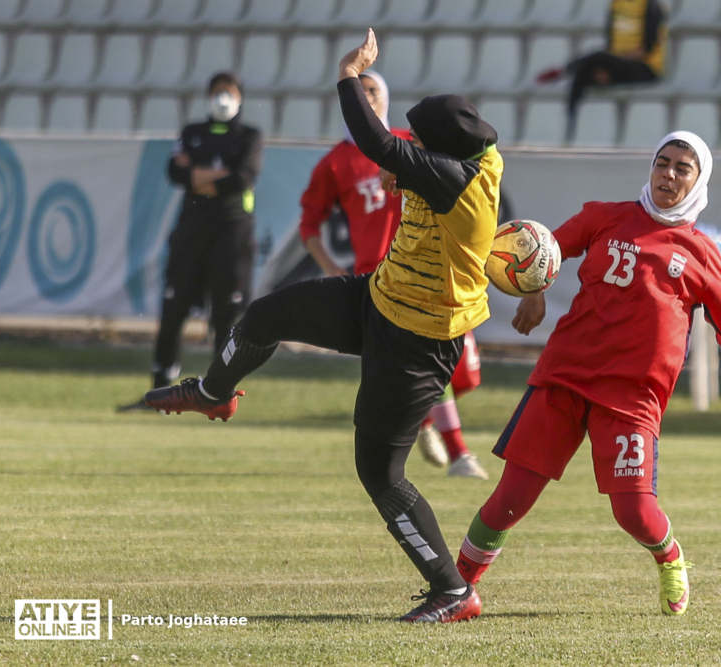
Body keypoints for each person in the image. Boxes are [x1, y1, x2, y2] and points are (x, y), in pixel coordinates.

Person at [144, 30, 500, 623]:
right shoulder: (467, 161)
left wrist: (347, 73)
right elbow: (406, 160)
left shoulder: (458, 182)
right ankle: (213, 392)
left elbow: (377, 142)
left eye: (419, 137)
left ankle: (454, 592)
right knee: (265, 315)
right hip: (381, 299)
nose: (409, 140)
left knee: (379, 472)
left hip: (420, 338)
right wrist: (403, 174)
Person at [454, 131, 721, 618]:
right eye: (663, 162)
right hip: (565, 375)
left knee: (635, 515)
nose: (668, 173)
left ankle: (670, 555)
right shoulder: (605, 216)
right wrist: (532, 290)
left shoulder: (701, 252)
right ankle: (455, 592)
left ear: (699, 181)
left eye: (683, 167)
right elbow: (540, 251)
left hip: (632, 397)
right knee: (508, 501)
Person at [298, 70, 488, 480]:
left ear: (385, 96)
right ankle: (460, 455)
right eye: (359, 91)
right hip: (383, 282)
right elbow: (309, 225)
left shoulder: (411, 142)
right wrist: (332, 268)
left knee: (467, 374)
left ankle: (422, 421)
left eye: (373, 90)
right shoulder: (335, 162)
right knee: (430, 368)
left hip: (437, 271)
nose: (366, 98)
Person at [118, 72, 263, 412]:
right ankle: (158, 393)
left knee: (225, 317)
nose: (222, 98)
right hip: (191, 232)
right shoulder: (192, 132)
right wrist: (216, 176)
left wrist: (198, 175)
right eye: (216, 92)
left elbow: (243, 179)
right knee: (173, 309)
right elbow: (175, 172)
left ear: (240, 96)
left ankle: (217, 395)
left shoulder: (250, 136)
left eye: (228, 92)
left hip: (231, 235)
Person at [537, 0, 668, 138]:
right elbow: (610, 45)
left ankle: (564, 70)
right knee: (584, 75)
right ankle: (572, 125)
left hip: (645, 68)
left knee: (597, 58)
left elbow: (646, 50)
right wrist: (607, 68)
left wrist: (613, 63)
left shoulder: (651, 6)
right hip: (618, 64)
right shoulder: (616, 5)